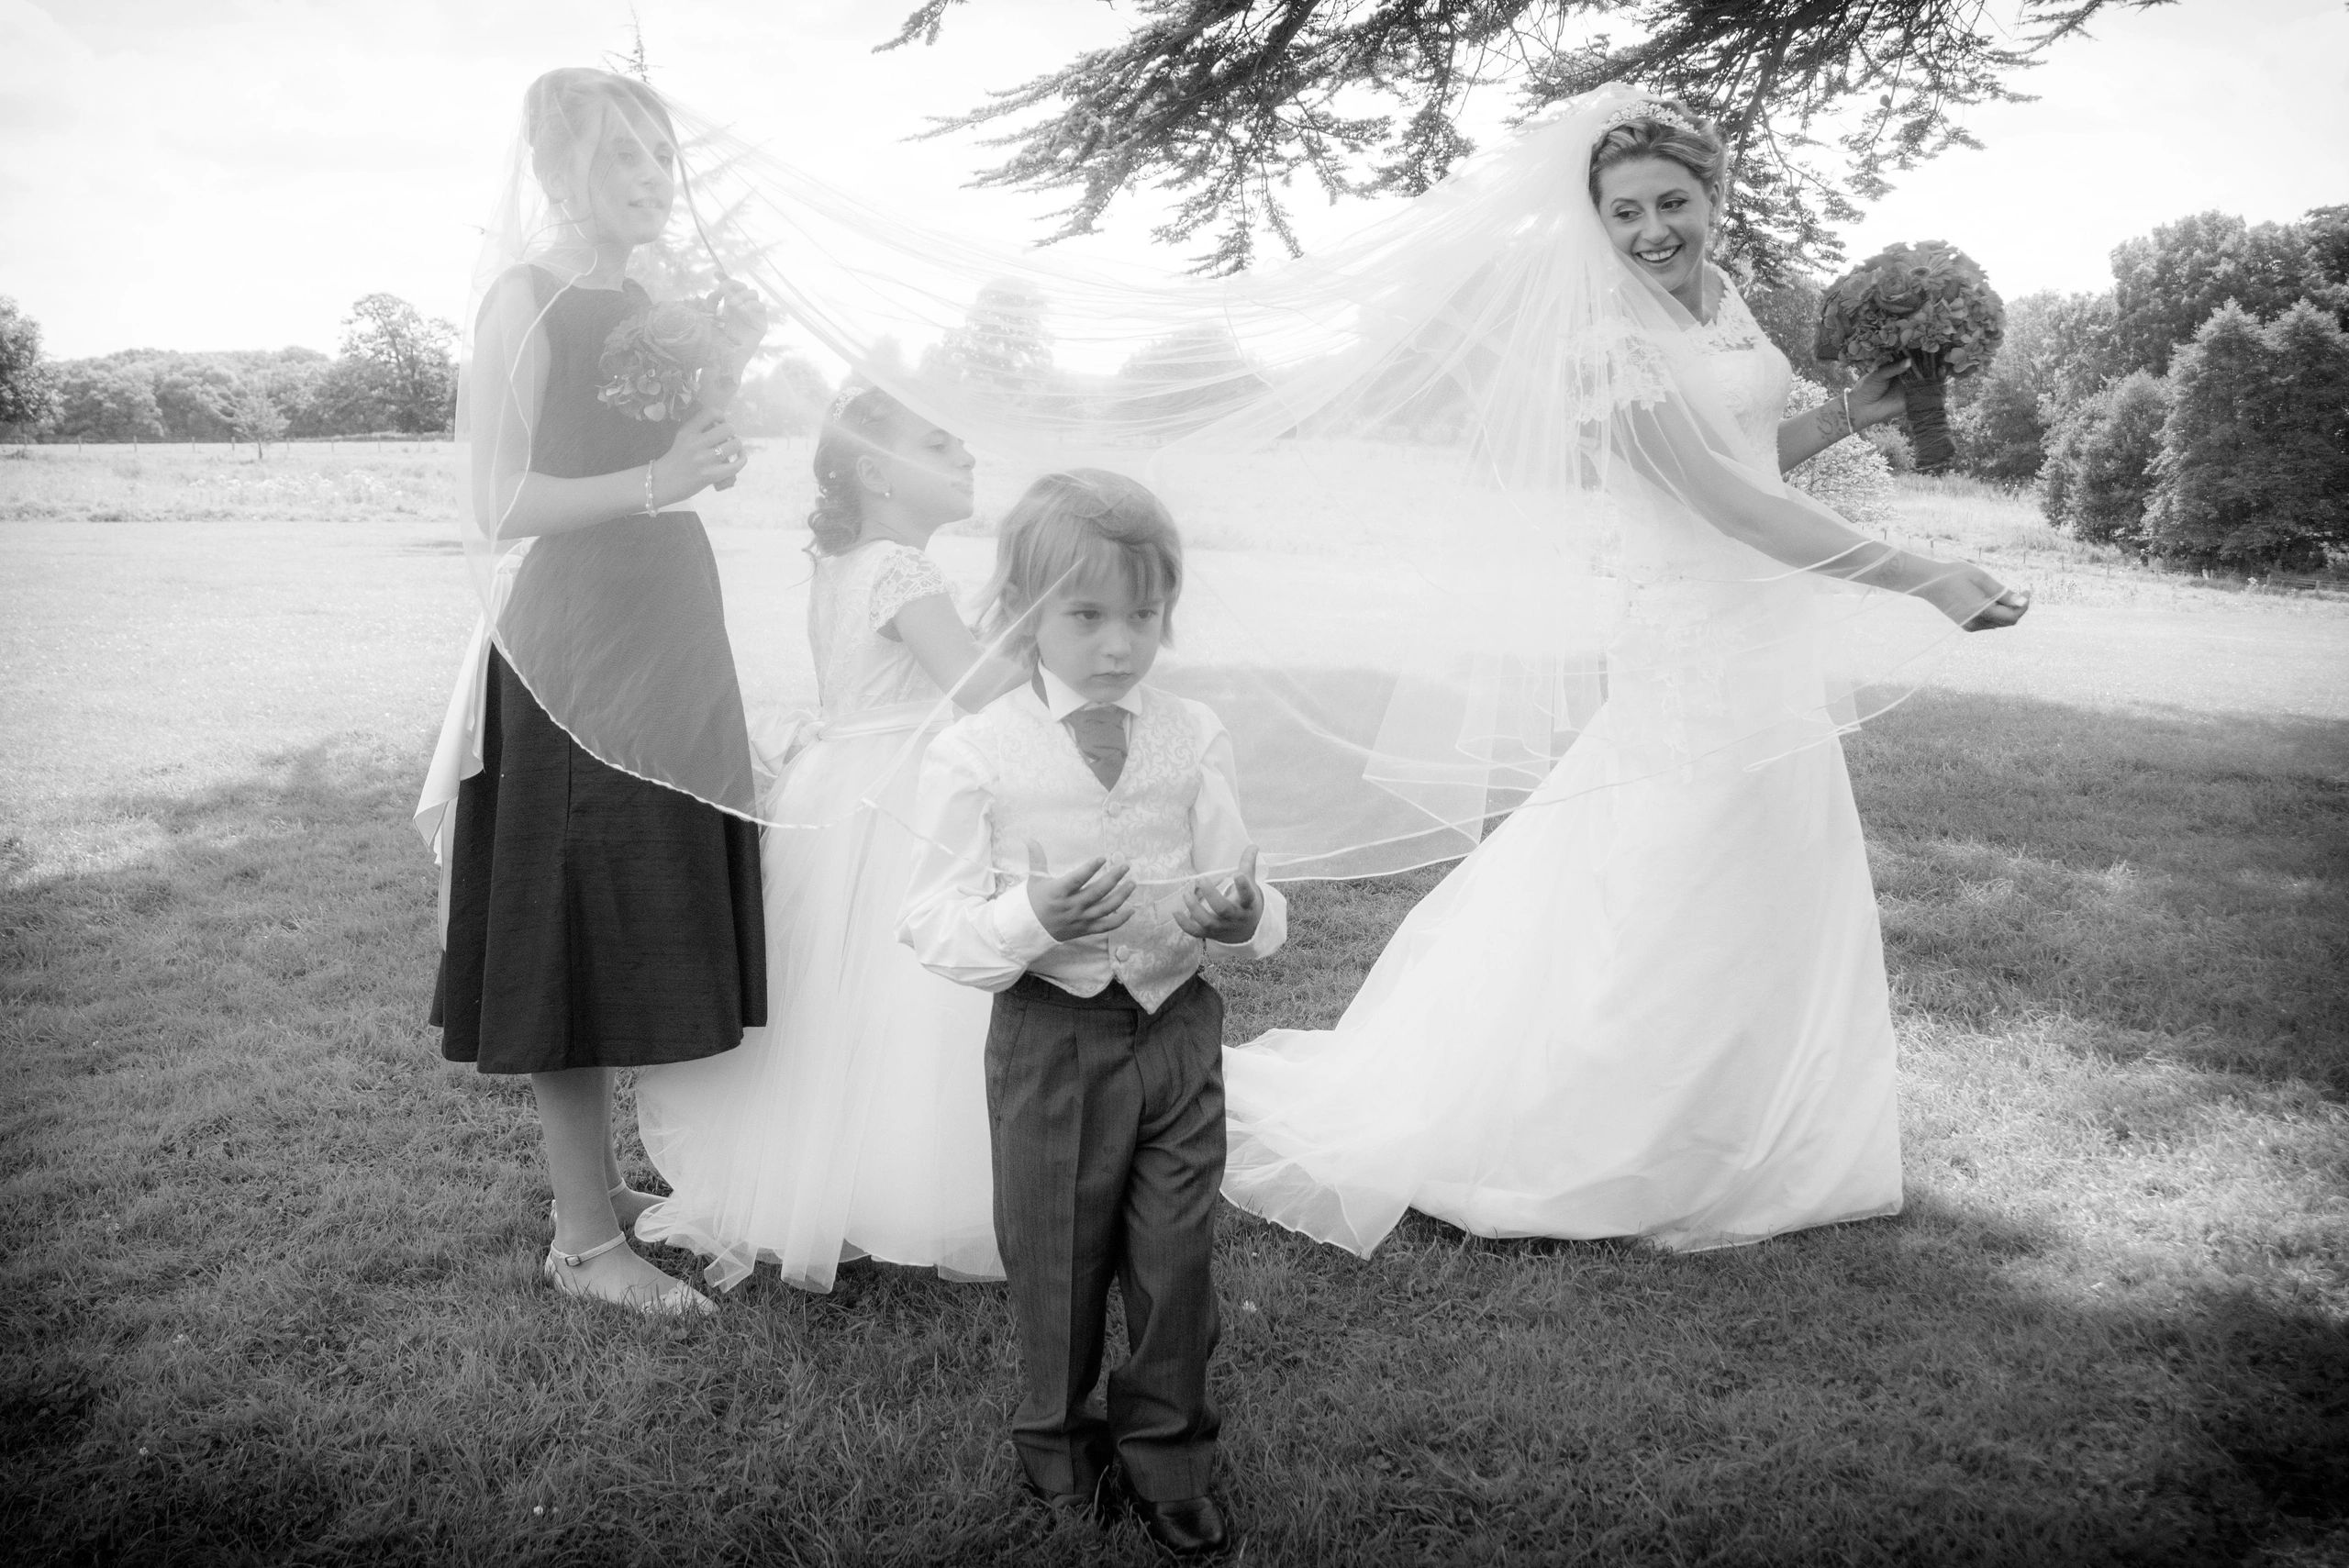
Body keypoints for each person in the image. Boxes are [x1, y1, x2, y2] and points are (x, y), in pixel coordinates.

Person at [1217, 95, 2029, 1259]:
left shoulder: (1719, 297)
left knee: (1768, 852)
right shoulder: (1599, 343)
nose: (1652, 229)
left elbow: (1747, 450)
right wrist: (1920, 574)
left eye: (1673, 203)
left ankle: (1747, 1123)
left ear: (1715, 198)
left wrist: (1847, 414)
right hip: (1686, 629)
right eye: (1625, 211)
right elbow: (1720, 501)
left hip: (1760, 624)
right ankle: (1598, 1132)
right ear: (1592, 222)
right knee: (1674, 859)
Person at [416, 68, 769, 1317]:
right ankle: (583, 1242)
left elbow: (660, 465)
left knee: (628, 905)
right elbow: (498, 502)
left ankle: (598, 1185)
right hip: (576, 646)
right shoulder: (527, 299)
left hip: (673, 619)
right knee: (565, 919)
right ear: (559, 174)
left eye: (660, 158)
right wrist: (661, 476)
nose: (652, 179)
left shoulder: (661, 303)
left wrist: (703, 456)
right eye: (623, 159)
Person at [898, 471, 1286, 1558]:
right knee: (1056, 1257)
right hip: (1051, 1036)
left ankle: (1169, 1455)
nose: (1119, 644)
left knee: (1175, 1258)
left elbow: (1236, 873)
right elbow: (930, 920)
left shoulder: (1192, 728)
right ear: (1023, 607)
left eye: (1143, 615)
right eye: (1086, 615)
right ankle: (1060, 1449)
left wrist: (1239, 906)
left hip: (1176, 1025)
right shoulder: (976, 748)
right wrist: (1030, 912)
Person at [635, 385, 1018, 1293]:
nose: (966, 459)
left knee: (831, 997)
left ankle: (816, 1174)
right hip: (898, 794)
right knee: (904, 993)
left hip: (840, 781)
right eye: (942, 440)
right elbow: (977, 693)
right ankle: (904, 1179)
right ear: (877, 471)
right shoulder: (905, 572)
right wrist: (1030, 617)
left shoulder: (850, 562)